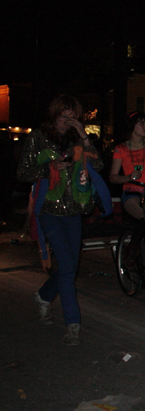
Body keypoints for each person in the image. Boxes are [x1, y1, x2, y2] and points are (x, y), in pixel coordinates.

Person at [17, 95, 104, 345]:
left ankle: (44, 296)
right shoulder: (38, 137)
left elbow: (99, 166)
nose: (67, 120)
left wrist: (85, 136)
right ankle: (73, 324)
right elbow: (22, 171)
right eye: (63, 115)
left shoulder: (78, 139)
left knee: (69, 267)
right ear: (54, 114)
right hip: (49, 210)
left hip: (74, 210)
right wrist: (50, 167)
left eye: (72, 115)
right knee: (66, 268)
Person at [108, 112, 145, 220]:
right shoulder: (121, 149)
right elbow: (113, 177)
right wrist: (128, 177)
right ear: (132, 126)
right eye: (141, 123)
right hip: (131, 191)